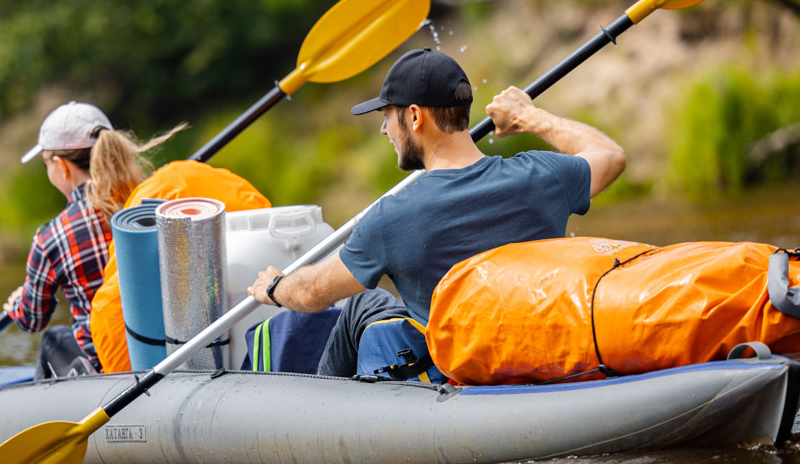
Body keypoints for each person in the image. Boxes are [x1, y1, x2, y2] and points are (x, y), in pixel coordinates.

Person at [248, 47, 626, 377]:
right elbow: (610, 156)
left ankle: (317, 412)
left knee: (363, 302)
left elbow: (314, 293)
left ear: (414, 117)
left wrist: (275, 287)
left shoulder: (390, 218)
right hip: (536, 356)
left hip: (456, 375)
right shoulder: (542, 176)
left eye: (387, 116)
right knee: (381, 304)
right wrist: (530, 118)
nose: (384, 130)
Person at [5, 101, 182, 378]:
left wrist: (17, 304)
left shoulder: (52, 236)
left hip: (106, 366)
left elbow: (33, 318)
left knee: (54, 337)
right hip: (167, 351)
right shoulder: (149, 203)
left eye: (45, 163)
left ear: (62, 167)